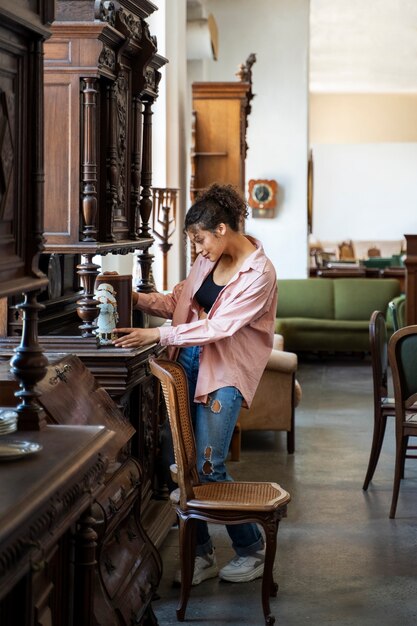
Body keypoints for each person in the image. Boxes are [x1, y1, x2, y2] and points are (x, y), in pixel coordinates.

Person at [112, 183, 277, 585]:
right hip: (186, 363)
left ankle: (251, 548)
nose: (198, 249)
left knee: (208, 466)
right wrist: (133, 297)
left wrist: (157, 336)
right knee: (182, 467)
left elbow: (220, 327)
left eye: (200, 239)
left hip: (224, 375)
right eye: (192, 241)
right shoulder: (208, 260)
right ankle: (201, 554)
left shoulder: (260, 272)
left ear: (221, 229)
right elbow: (181, 303)